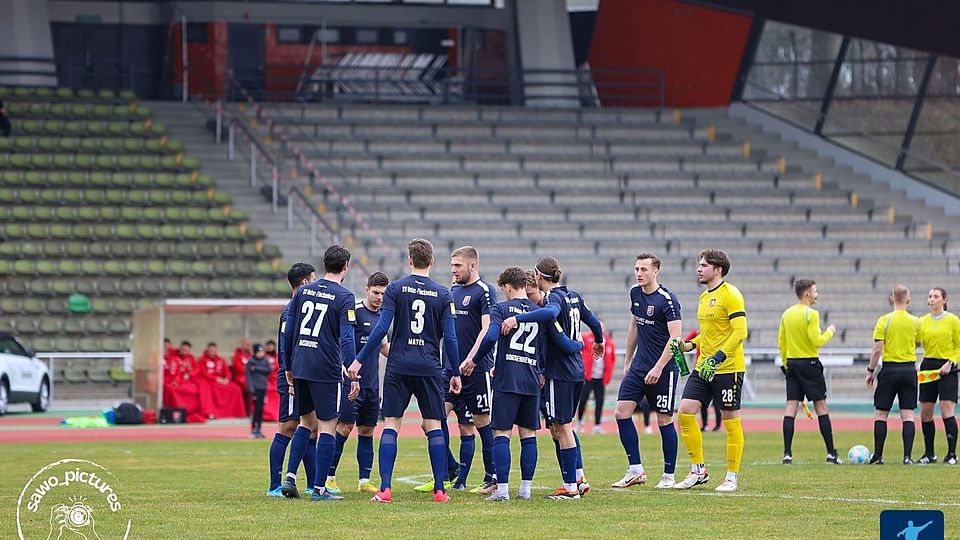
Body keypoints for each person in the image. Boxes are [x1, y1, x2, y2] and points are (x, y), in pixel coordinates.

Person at [347, 238, 462, 504]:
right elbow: (452, 339)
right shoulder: (444, 293)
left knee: (391, 424)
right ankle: (440, 491)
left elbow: (380, 330)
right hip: (430, 366)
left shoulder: (396, 289)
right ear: (432, 261)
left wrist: (359, 360)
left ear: (410, 260)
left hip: (399, 365)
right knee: (434, 425)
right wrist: (455, 372)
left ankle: (385, 489)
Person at [468, 267, 583, 501]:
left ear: (508, 287)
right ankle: (525, 490)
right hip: (532, 381)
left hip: (507, 379)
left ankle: (502, 491)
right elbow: (549, 346)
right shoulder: (539, 311)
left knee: (501, 433)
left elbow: (490, 337)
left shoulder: (500, 309)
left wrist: (474, 361)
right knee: (528, 434)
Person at [501, 256, 604, 500]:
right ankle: (577, 478)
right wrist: (598, 341)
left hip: (561, 372)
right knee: (561, 427)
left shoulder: (554, 298)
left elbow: (550, 315)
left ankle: (570, 487)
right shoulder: (575, 296)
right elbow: (593, 321)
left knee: (562, 427)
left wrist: (517, 318)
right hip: (575, 371)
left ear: (538, 276)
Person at [280, 245, 358, 501]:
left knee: (305, 423)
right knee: (326, 427)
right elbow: (347, 338)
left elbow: (289, 331)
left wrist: (287, 366)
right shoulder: (345, 296)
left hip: (301, 364)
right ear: (345, 266)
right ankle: (320, 489)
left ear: (325, 264)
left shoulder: (303, 291)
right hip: (325, 368)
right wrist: (353, 370)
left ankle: (290, 476)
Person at [673, 249, 748, 492]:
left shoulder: (732, 295)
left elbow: (739, 332)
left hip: (728, 367)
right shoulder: (704, 297)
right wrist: (688, 345)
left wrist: (717, 357)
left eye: (704, 265)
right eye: (699, 264)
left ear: (718, 269)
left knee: (730, 420)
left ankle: (731, 477)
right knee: (685, 412)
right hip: (704, 366)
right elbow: (707, 334)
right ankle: (698, 470)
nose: (699, 268)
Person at [611, 253, 682, 489]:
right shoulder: (635, 292)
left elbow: (675, 339)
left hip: (664, 369)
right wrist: (627, 360)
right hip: (639, 367)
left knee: (664, 419)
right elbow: (634, 326)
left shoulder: (668, 300)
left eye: (644, 269)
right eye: (636, 269)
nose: (639, 273)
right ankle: (635, 470)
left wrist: (659, 367)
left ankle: (669, 476)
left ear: (656, 271)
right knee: (621, 412)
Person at [435, 246, 497, 494]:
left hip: (476, 370)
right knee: (434, 419)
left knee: (481, 423)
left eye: (457, 265)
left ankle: (491, 476)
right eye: (452, 265)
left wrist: (471, 359)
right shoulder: (452, 291)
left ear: (472, 266)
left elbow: (486, 329)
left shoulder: (485, 292)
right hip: (450, 370)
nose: (453, 270)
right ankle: (451, 469)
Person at [325, 272, 391, 495]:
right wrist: (347, 371)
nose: (379, 297)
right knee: (344, 427)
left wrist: (404, 357)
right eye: (376, 292)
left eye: (383, 293)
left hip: (372, 383)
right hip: (350, 382)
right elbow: (343, 342)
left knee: (367, 430)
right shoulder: (354, 311)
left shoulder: (383, 317)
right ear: (367, 289)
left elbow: (383, 347)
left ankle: (364, 479)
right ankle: (329, 477)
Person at [267, 262, 318, 497]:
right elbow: (285, 345)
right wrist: (288, 373)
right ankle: (275, 486)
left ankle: (310, 483)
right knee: (288, 427)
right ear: (306, 282)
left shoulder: (302, 307)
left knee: (310, 428)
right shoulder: (291, 310)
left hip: (304, 374)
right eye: (314, 279)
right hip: (292, 375)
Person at [778, 279, 841, 464]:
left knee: (791, 407)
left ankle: (787, 454)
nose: (817, 294)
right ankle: (831, 453)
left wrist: (786, 363)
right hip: (811, 364)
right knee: (821, 406)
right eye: (815, 291)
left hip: (793, 364)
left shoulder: (787, 314)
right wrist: (830, 331)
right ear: (807, 294)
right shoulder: (811, 314)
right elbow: (817, 341)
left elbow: (781, 342)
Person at [866, 285, 920, 465]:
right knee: (908, 415)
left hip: (889, 370)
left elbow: (877, 350)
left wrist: (871, 371)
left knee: (881, 414)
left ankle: (878, 456)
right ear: (908, 299)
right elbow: (918, 342)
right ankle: (907, 457)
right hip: (908, 370)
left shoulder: (884, 320)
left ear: (891, 298)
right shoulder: (915, 321)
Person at [917, 287, 960, 465]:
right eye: (930, 296)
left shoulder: (953, 321)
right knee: (925, 413)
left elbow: (958, 347)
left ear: (944, 300)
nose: (932, 299)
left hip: (948, 367)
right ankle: (929, 453)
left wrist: (950, 362)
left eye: (936, 296)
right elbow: (916, 342)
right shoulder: (922, 322)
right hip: (928, 366)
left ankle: (951, 454)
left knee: (946, 411)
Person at [577, 320, 615, 435]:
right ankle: (579, 422)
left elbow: (611, 359)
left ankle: (597, 425)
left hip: (600, 378)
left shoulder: (609, 343)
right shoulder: (587, 338)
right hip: (588, 376)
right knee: (583, 399)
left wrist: (607, 375)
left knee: (599, 402)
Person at [196, 342, 246, 419]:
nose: (212, 352)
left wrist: (226, 378)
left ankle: (236, 413)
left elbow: (227, 371)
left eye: (213, 351)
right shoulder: (202, 360)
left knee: (236, 388)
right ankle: (213, 413)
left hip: (222, 381)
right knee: (211, 390)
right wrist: (215, 379)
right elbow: (203, 373)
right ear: (207, 350)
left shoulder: (221, 360)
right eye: (210, 351)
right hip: (209, 381)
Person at [246, 344, 272, 439]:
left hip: (263, 388)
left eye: (262, 352)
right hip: (255, 389)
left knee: (261, 410)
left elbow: (269, 370)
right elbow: (248, 376)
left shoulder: (265, 361)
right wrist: (251, 389)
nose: (261, 354)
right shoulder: (251, 362)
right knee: (255, 410)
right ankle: (253, 429)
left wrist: (257, 369)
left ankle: (259, 429)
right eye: (259, 352)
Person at [232, 339, 253, 414]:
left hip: (252, 377)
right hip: (241, 377)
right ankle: (251, 409)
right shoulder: (237, 356)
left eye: (249, 345)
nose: (248, 346)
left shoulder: (252, 356)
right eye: (246, 344)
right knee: (251, 385)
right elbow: (239, 368)